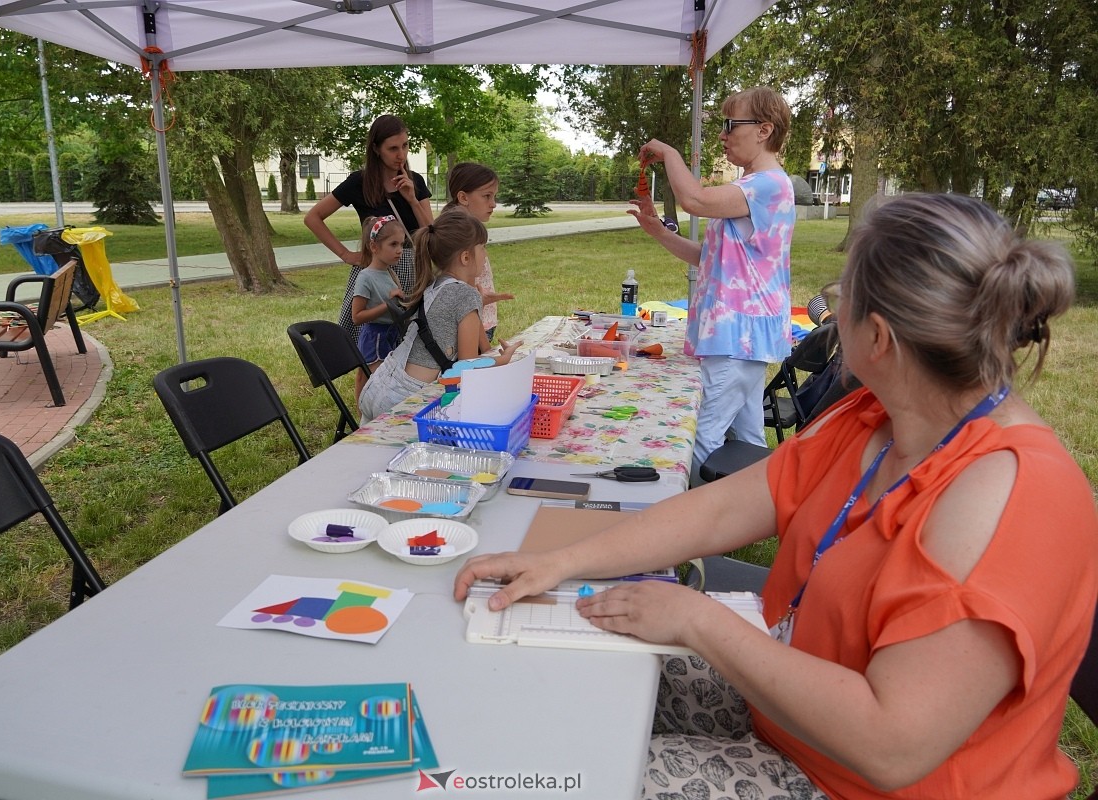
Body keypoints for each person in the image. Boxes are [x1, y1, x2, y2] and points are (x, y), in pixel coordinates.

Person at [455, 193, 1098, 800]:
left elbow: (894, 746)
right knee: (564, 678)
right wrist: (560, 563)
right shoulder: (876, 419)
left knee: (564, 773)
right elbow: (722, 507)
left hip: (852, 782)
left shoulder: (1012, 495)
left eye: (838, 296)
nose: (826, 311)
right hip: (790, 718)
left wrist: (696, 620)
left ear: (876, 337)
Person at [629, 86, 794, 474]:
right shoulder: (752, 189)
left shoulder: (766, 185)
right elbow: (709, 258)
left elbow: (695, 200)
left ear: (763, 130)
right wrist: (658, 231)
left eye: (729, 124)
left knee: (702, 436)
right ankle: (748, 516)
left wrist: (669, 153)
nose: (722, 135)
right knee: (748, 437)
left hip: (738, 337)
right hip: (742, 336)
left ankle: (696, 524)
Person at [358, 208, 521, 422]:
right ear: (465, 257)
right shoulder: (465, 294)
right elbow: (466, 369)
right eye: (483, 247)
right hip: (405, 399)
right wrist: (504, 359)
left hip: (378, 386)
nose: (486, 255)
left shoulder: (435, 284)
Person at [304, 114, 434, 346]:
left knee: (414, 341)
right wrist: (346, 255)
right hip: (377, 272)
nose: (401, 155)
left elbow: (431, 233)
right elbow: (313, 218)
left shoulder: (415, 181)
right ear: (376, 149)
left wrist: (412, 199)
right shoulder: (359, 183)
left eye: (405, 146)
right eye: (393, 148)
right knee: (368, 341)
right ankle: (366, 382)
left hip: (414, 269)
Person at [444, 162, 515, 342]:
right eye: (486, 196)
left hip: (480, 321)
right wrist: (485, 347)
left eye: (494, 196)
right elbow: (462, 298)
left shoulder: (468, 229)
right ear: (463, 197)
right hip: (471, 326)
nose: (493, 204)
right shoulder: (460, 235)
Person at [350, 215, 407, 400]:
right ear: (374, 246)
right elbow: (357, 317)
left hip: (392, 334)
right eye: (393, 244)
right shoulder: (365, 277)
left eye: (402, 244)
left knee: (389, 384)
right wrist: (387, 305)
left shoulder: (390, 273)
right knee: (376, 384)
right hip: (374, 337)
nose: (400, 250)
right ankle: (364, 420)